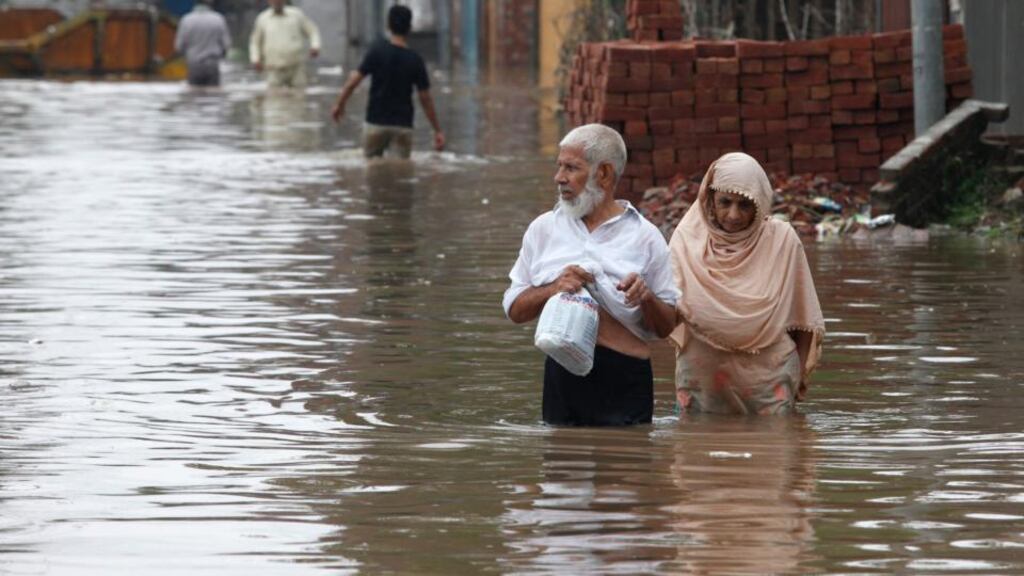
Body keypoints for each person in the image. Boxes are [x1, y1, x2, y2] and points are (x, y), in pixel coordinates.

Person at [503, 123, 679, 426]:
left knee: (627, 466)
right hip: (561, 376)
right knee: (562, 464)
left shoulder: (645, 236)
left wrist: (646, 296)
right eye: (559, 166)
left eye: (571, 168)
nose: (559, 178)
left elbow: (666, 327)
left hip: (626, 376)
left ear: (604, 174)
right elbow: (514, 310)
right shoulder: (543, 229)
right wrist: (553, 288)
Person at [668, 152, 825, 415]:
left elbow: (802, 317)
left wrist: (797, 376)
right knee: (695, 451)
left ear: (761, 204)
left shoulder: (782, 240)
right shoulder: (686, 241)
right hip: (702, 381)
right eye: (725, 202)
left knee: (774, 453)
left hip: (768, 381)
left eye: (745, 204)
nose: (733, 215)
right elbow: (666, 313)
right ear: (710, 199)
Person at [330, 4, 444, 158]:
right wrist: (437, 130)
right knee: (402, 173)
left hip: (376, 124)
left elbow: (353, 82)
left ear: (388, 25)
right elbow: (426, 99)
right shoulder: (415, 60)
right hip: (403, 126)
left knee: (372, 171)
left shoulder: (376, 52)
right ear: (409, 28)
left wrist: (340, 104)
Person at [249, 0, 321, 89]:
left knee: (299, 95)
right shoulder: (262, 19)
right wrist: (255, 60)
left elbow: (312, 31)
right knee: (274, 97)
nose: (277, 2)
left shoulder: (296, 15)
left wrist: (315, 46)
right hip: (273, 69)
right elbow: (255, 42)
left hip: (296, 67)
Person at [174, 0, 231, 87]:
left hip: (193, 65)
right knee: (214, 96)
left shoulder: (186, 20)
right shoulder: (218, 19)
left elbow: (179, 46)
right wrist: (221, 57)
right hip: (212, 64)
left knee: (193, 96)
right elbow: (226, 45)